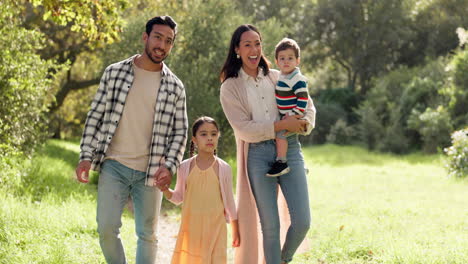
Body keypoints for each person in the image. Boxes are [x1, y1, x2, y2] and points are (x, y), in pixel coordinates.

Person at [75, 15, 188, 264]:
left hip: (152, 171)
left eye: (169, 41)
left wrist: (169, 166)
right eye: (158, 37)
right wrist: (85, 156)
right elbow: (95, 115)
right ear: (145, 37)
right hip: (113, 165)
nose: (162, 45)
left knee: (147, 235)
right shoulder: (114, 73)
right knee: (106, 229)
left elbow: (181, 131)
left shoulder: (175, 87)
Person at [219, 24, 316, 264]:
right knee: (270, 226)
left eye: (258, 43)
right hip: (258, 155)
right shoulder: (230, 87)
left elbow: (309, 108)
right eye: (247, 44)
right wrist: (281, 126)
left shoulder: (278, 76)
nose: (254, 49)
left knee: (303, 220)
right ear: (237, 49)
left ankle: (283, 259)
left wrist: (301, 125)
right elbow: (243, 129)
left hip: (290, 149)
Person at [161, 116, 240, 264]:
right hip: (192, 228)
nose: (209, 138)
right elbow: (178, 197)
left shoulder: (224, 168)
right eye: (203, 134)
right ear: (195, 140)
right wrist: (165, 189)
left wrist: (235, 231)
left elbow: (230, 203)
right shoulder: (185, 166)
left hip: (216, 229)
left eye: (213, 134)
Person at [266, 38, 309, 177]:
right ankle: (301, 167)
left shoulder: (297, 78)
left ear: (297, 61)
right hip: (285, 115)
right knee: (288, 140)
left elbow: (303, 98)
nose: (286, 61)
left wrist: (294, 114)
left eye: (290, 58)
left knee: (280, 136)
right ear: (277, 61)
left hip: (293, 115)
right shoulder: (283, 76)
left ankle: (281, 162)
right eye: (282, 58)